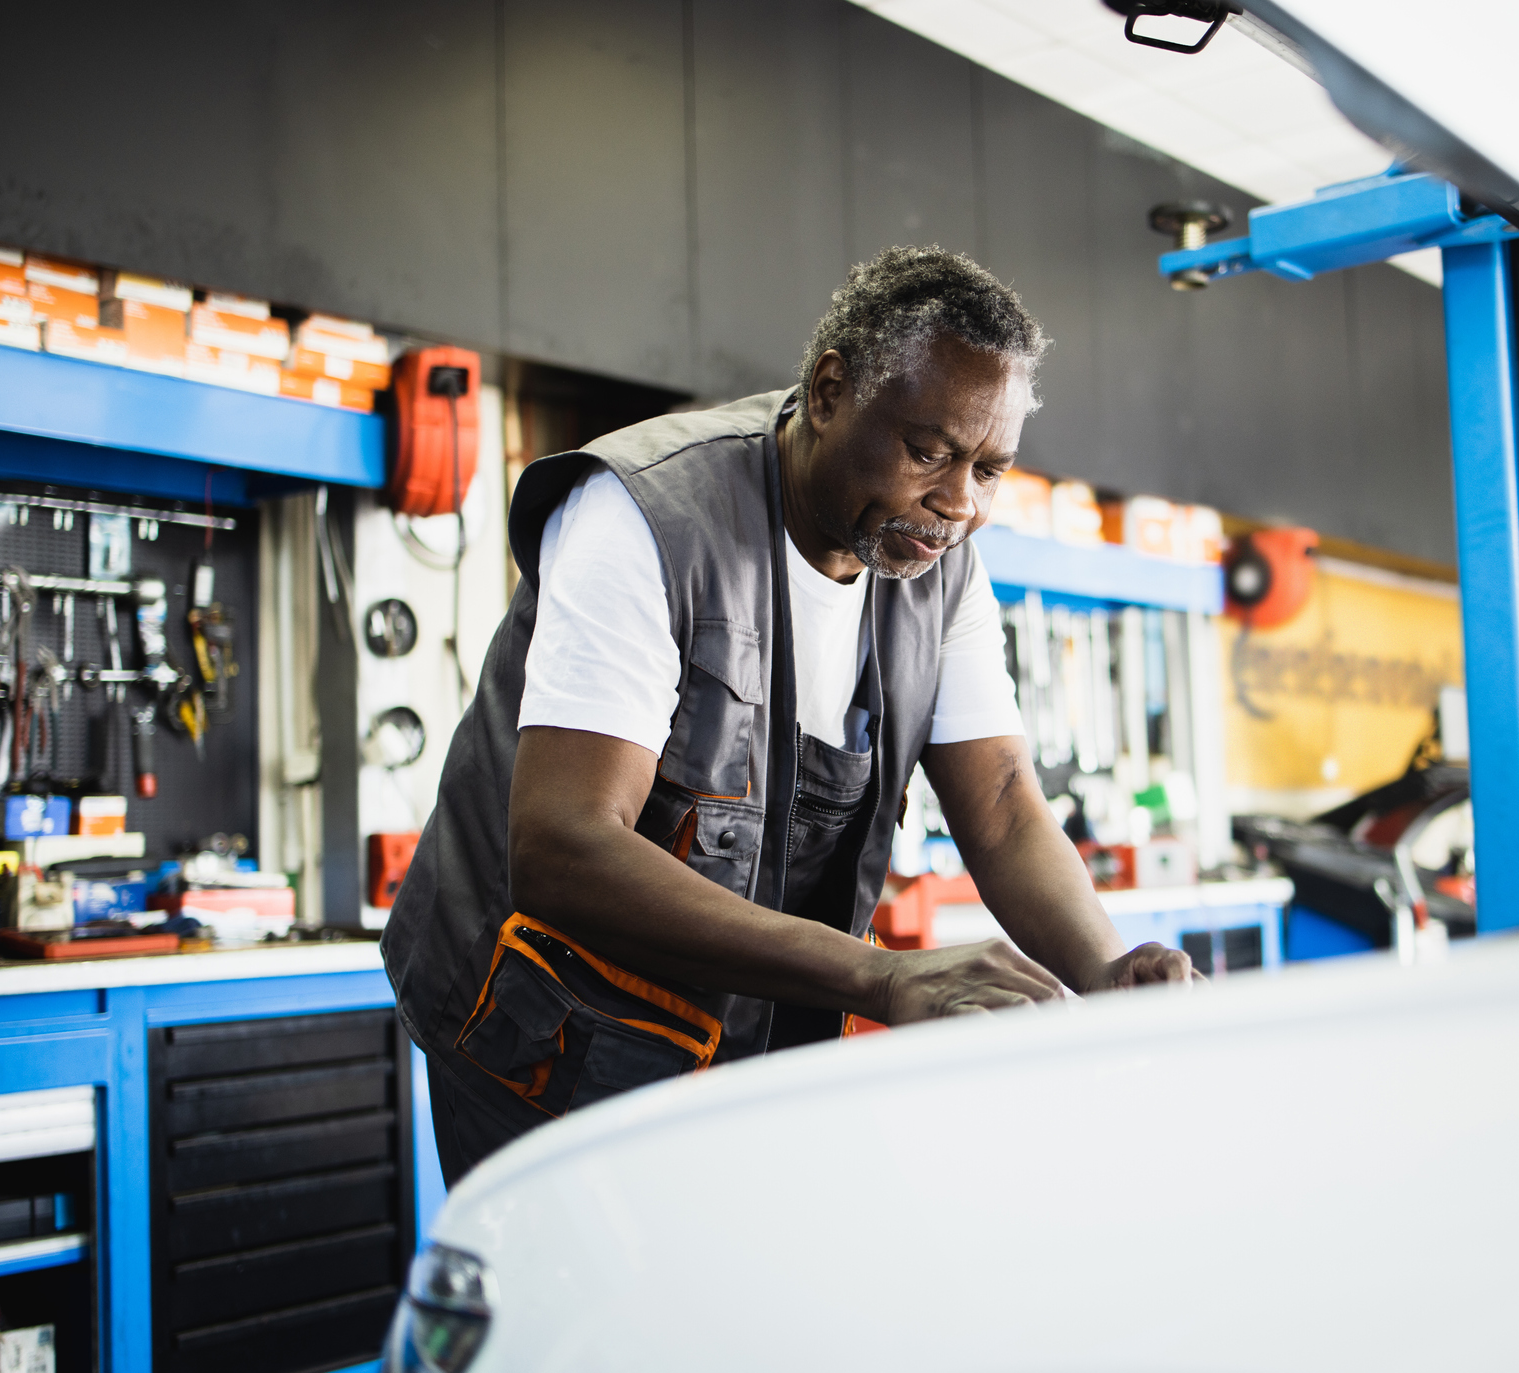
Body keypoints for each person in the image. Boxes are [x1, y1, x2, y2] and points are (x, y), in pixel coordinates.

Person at [383, 247, 1193, 1185]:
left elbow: (1005, 801)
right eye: (928, 451)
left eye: (989, 469)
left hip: (741, 1040)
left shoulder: (935, 565)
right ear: (828, 391)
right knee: (599, 1326)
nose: (958, 503)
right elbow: (564, 844)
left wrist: (1106, 973)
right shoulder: (645, 516)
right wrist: (883, 974)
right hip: (538, 1033)